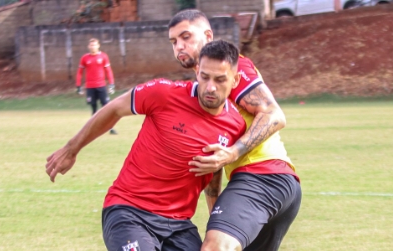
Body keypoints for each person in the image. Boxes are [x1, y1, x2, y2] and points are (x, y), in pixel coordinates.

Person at [46, 40, 246, 251]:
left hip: (178, 226)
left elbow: (213, 167)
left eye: (220, 79)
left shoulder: (235, 125)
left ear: (235, 80)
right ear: (197, 72)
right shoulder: (164, 93)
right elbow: (114, 108)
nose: (210, 87)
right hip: (129, 211)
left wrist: (214, 222)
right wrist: (71, 148)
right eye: (204, 77)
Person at [167, 9, 302, 251]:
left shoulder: (234, 68)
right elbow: (214, 155)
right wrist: (215, 211)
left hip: (263, 177)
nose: (179, 46)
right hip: (275, 184)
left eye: (186, 37)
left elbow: (274, 115)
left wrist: (232, 153)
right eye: (174, 41)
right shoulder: (205, 91)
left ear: (208, 35)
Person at [76, 38, 118, 135]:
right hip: (90, 87)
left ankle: (110, 128)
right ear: (88, 46)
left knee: (107, 108)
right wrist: (78, 85)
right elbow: (79, 72)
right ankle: (92, 130)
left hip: (101, 86)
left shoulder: (103, 56)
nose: (93, 47)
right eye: (91, 45)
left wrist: (111, 84)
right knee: (93, 108)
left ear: (98, 46)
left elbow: (108, 71)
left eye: (94, 45)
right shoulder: (85, 58)